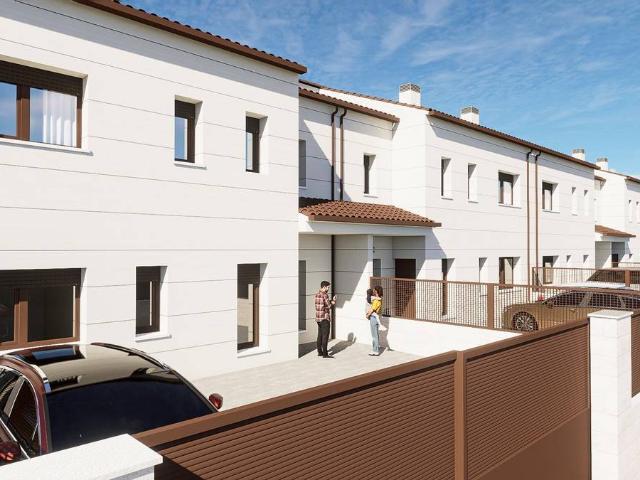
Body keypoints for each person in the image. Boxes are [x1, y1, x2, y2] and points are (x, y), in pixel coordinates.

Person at [314, 281, 336, 358]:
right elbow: (329, 306)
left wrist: (329, 302)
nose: (328, 289)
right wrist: (333, 302)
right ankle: (325, 354)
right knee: (325, 336)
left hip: (318, 318)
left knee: (319, 335)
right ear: (324, 287)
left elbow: (320, 306)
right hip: (325, 319)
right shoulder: (325, 295)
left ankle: (320, 352)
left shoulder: (317, 294)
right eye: (328, 287)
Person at [366, 286, 384, 356]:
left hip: (374, 318)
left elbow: (372, 309)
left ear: (376, 291)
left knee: (374, 335)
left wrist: (367, 315)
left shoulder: (377, 301)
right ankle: (376, 348)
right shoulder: (379, 299)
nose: (373, 291)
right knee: (375, 334)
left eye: (374, 290)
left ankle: (375, 351)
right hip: (376, 317)